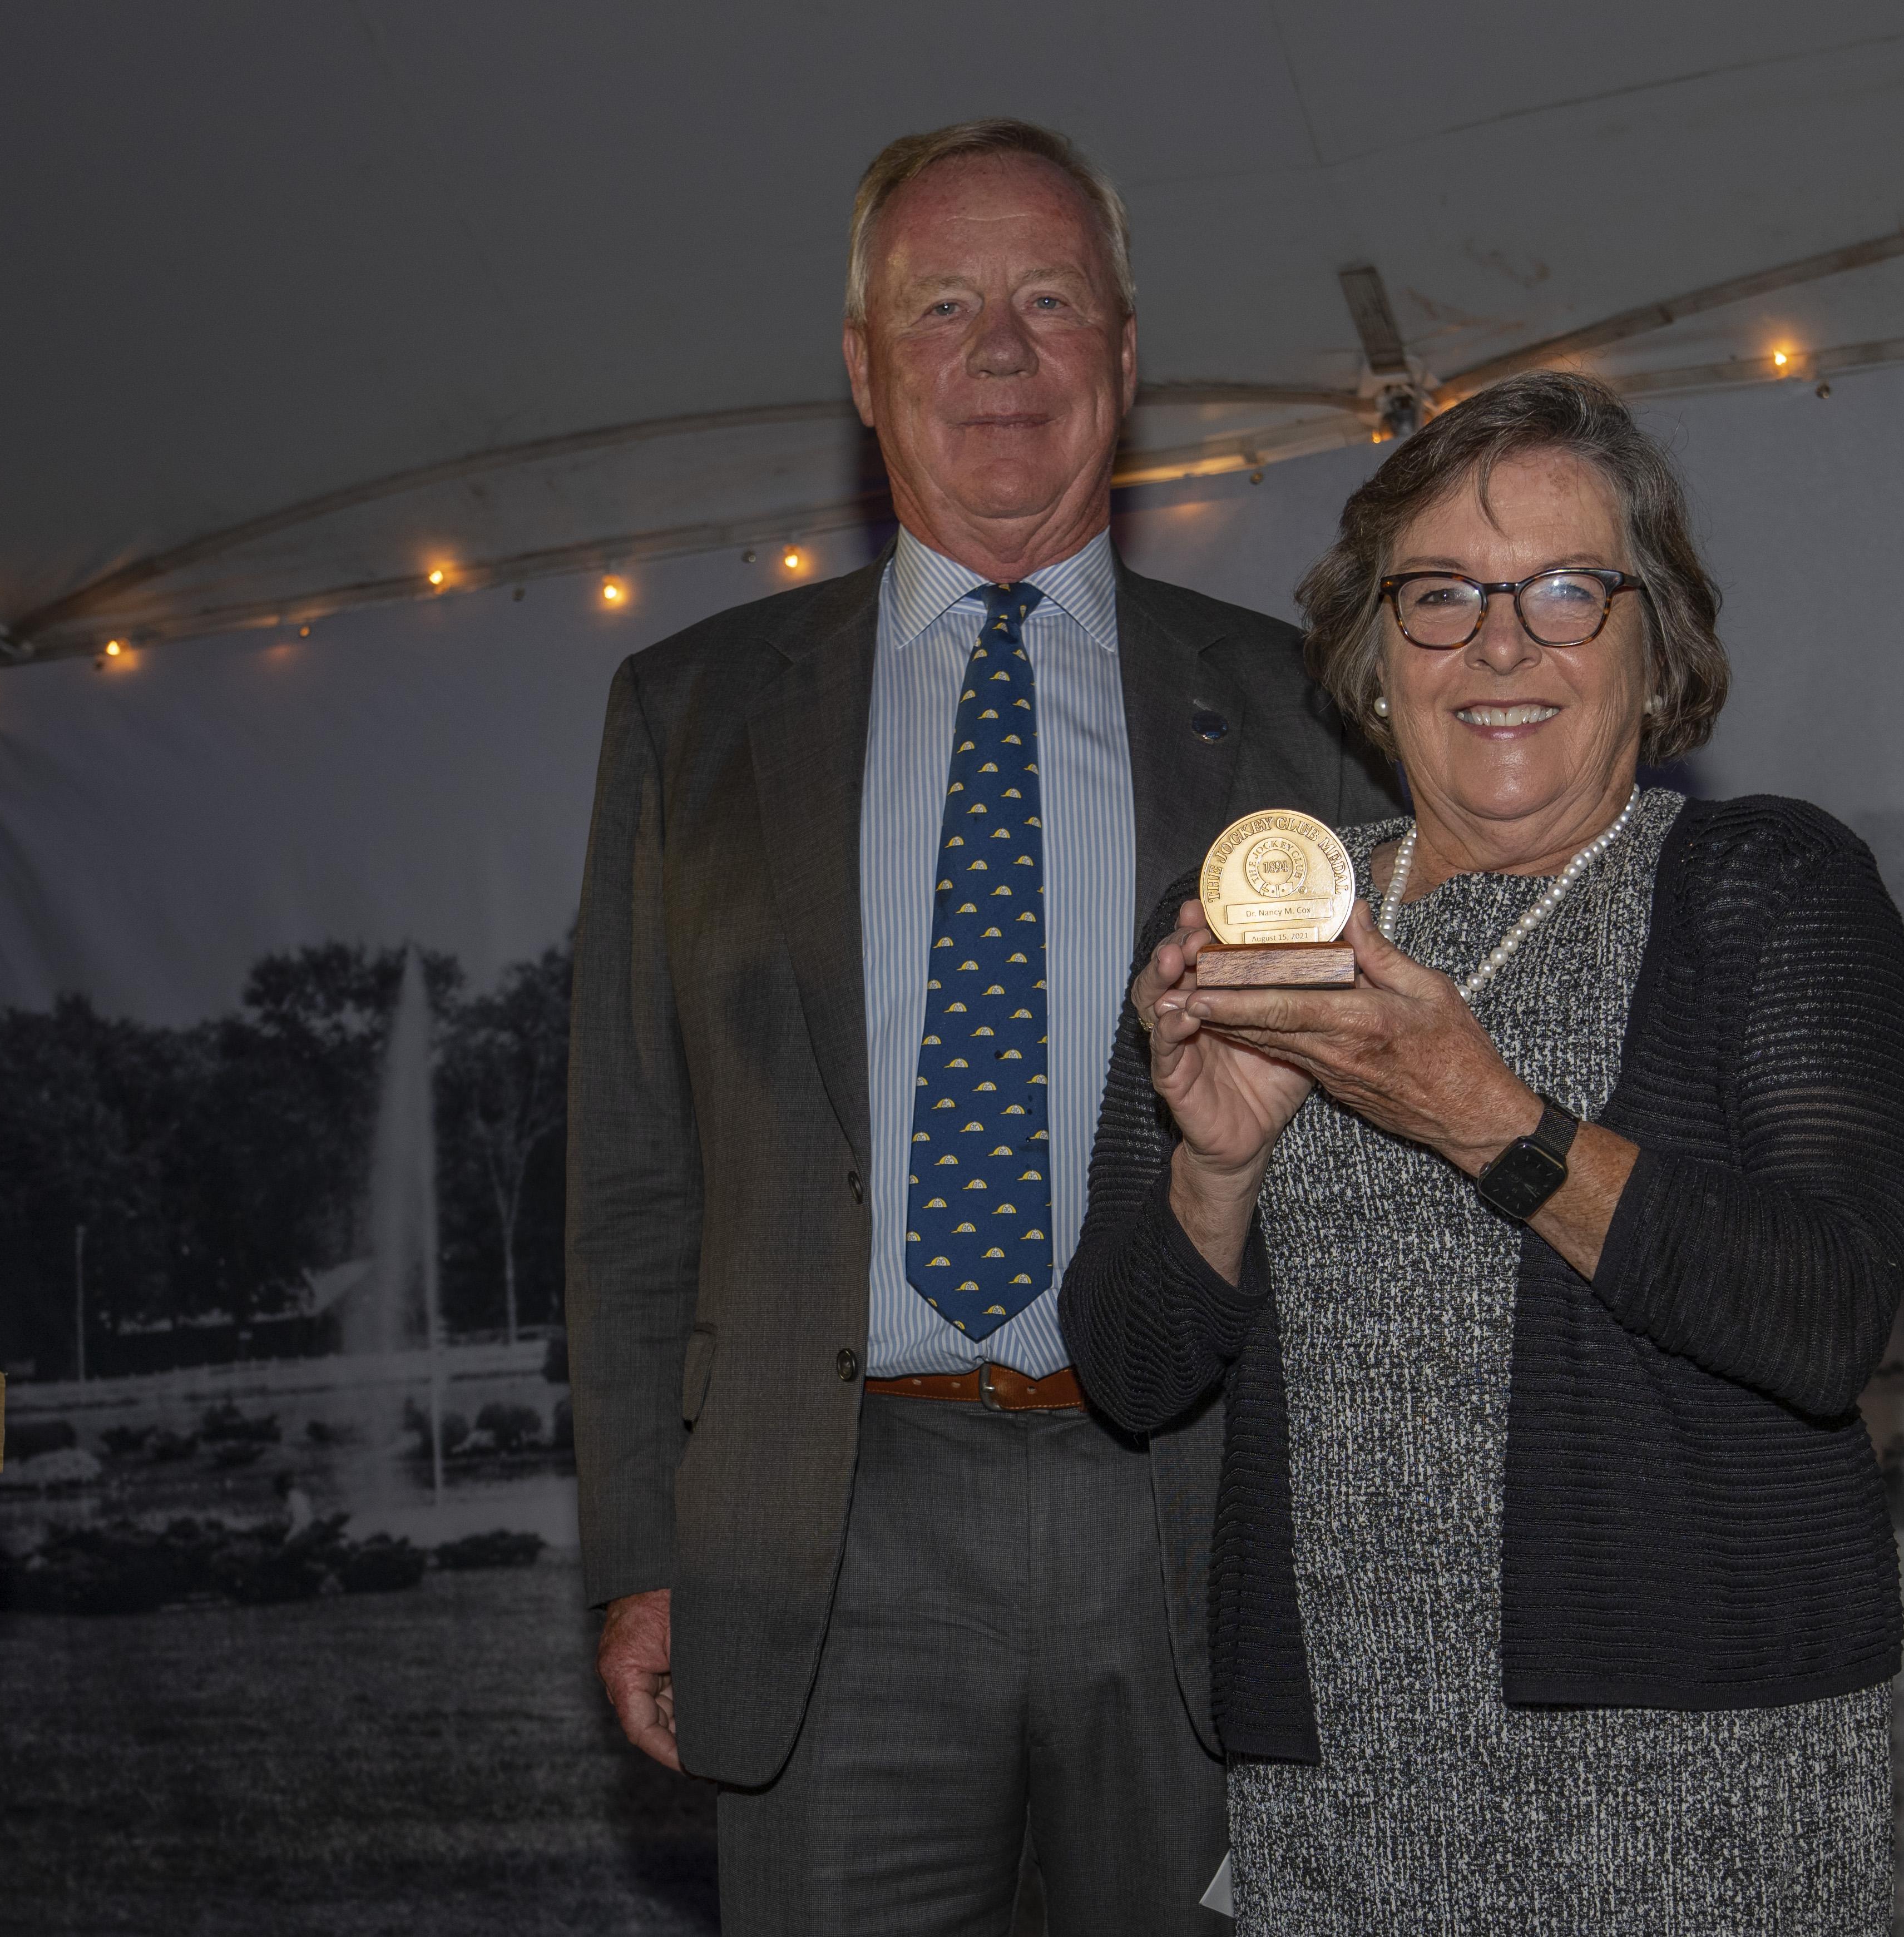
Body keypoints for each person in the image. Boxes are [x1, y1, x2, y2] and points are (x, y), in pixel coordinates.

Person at [565, 118, 1396, 1935]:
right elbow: (633, 1177)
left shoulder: (1299, 715)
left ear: (1124, 352)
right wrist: (643, 1556)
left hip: (1192, 1523)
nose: (1001, 352)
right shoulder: (689, 717)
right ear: (865, 369)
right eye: (943, 307)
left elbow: (1373, 1155)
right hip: (827, 1539)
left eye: (1049, 301)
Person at [1060, 370, 1904, 1933]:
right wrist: (1216, 1169)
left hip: (1696, 1805)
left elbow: (1823, 1314)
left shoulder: (1764, 890)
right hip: (1341, 1803)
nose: (1501, 642)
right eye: (1443, 594)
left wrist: (1485, 1112)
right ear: (1373, 652)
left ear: (1654, 642)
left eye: (1564, 589)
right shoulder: (1260, 928)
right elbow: (1131, 1372)